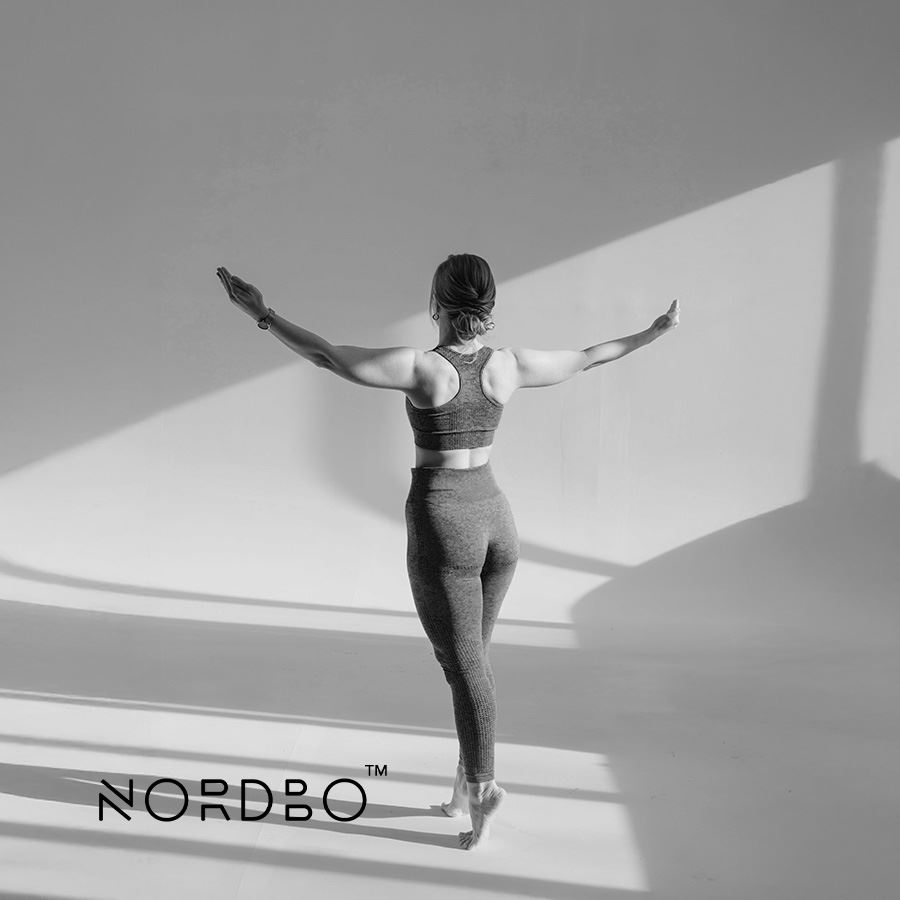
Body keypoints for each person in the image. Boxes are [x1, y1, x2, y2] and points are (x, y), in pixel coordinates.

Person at [216, 254, 679, 849]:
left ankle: (484, 787)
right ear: (488, 306)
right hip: (498, 523)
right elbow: (589, 356)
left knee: (464, 669)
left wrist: (262, 314)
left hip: (445, 524)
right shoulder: (508, 364)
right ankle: (465, 781)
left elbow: (327, 356)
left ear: (436, 304)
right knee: (471, 663)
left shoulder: (422, 369)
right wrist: (651, 333)